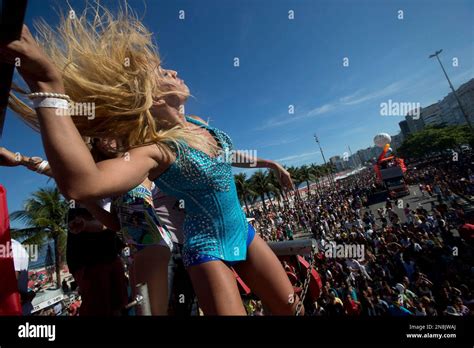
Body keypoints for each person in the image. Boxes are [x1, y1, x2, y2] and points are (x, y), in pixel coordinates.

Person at [3, 7, 299, 315]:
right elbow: (83, 183)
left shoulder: (199, 124)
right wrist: (48, 87)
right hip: (207, 251)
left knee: (290, 309)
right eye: (163, 73)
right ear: (154, 98)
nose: (173, 72)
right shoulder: (156, 151)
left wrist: (269, 164)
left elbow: (226, 155)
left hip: (244, 233)